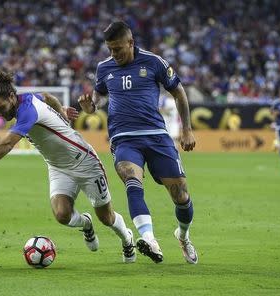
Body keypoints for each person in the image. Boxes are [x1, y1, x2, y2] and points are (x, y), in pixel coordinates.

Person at [0, 70, 136, 263]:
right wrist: (62, 111)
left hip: (84, 162)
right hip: (58, 166)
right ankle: (86, 224)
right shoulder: (27, 99)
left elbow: (7, 144)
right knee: (62, 214)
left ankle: (127, 239)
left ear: (11, 96)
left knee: (107, 218)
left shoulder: (27, 111)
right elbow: (48, 97)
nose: (0, 114)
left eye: (2, 108)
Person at [77, 21, 198, 264]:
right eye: (110, 49)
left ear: (131, 43)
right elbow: (100, 93)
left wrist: (186, 129)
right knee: (132, 181)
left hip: (156, 135)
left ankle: (183, 235)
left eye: (118, 49)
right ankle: (150, 239)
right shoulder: (104, 67)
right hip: (123, 138)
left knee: (180, 195)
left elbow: (178, 92)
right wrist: (93, 106)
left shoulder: (154, 62)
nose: (114, 54)